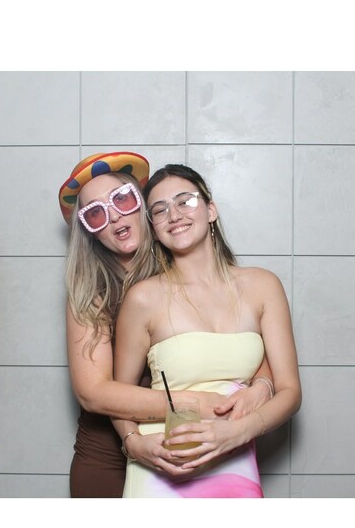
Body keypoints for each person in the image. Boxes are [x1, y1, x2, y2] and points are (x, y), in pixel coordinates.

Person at [60, 153, 273, 497]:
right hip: (107, 456)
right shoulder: (91, 293)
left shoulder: (190, 260)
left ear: (144, 207)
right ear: (90, 233)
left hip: (194, 451)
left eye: (122, 200)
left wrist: (263, 385)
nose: (113, 217)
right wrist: (194, 405)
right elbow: (92, 392)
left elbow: (243, 344)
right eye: (96, 214)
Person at [114, 163, 301, 498]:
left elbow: (290, 392)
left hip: (235, 463)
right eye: (160, 210)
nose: (174, 215)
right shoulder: (143, 298)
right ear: (154, 229)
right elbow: (118, 397)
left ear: (210, 210)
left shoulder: (263, 286)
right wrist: (134, 442)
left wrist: (239, 432)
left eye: (185, 201)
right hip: (162, 466)